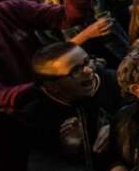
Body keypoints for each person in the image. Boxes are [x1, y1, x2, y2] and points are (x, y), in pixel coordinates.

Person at [19, 41, 123, 169]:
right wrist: (70, 150)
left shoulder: (116, 81)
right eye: (75, 71)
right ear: (52, 87)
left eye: (87, 61)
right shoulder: (35, 119)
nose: (88, 70)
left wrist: (118, 126)